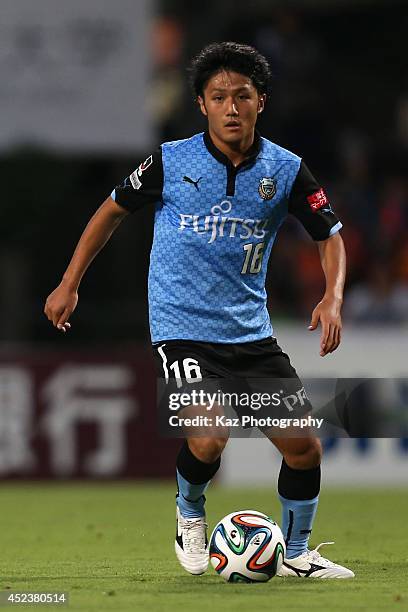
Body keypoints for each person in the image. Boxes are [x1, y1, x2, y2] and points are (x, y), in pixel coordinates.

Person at [44, 42, 353, 579]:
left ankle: (298, 553)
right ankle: (190, 514)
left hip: (250, 335)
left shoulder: (285, 169)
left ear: (262, 102)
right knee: (209, 437)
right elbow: (111, 211)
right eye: (219, 97)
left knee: (304, 449)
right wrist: (70, 282)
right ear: (201, 105)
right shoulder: (169, 160)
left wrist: (332, 296)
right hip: (181, 329)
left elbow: (329, 235)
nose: (232, 107)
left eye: (243, 96)